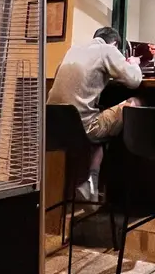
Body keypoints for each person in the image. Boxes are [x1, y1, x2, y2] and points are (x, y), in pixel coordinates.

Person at [47, 27, 143, 202]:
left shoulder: (73, 50)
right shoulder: (107, 50)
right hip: (83, 129)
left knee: (97, 121)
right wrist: (133, 64)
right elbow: (134, 80)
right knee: (135, 103)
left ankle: (90, 184)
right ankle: (99, 185)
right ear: (114, 44)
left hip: (55, 126)